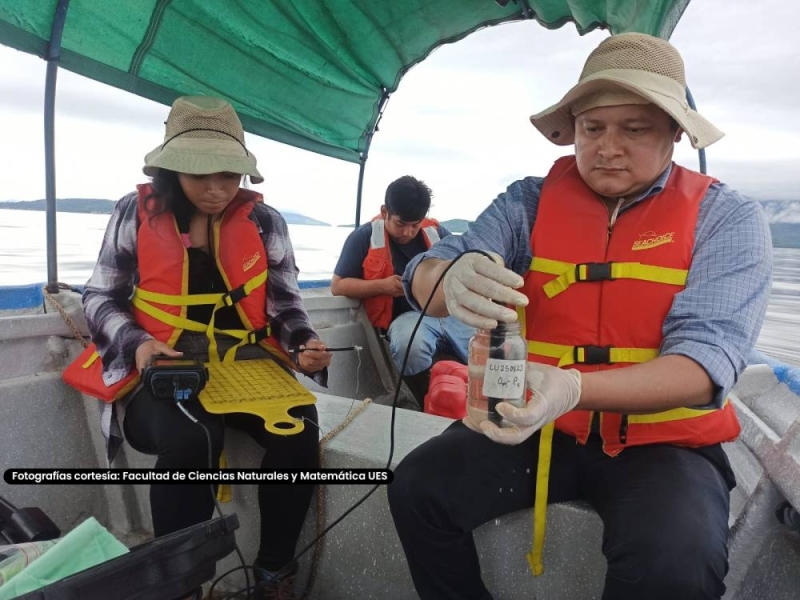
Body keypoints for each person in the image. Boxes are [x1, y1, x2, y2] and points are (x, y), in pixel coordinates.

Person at [388, 33, 773, 600]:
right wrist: (449, 274)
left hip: (662, 446)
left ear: (675, 132)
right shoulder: (528, 201)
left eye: (635, 128)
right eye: (592, 128)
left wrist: (571, 387)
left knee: (675, 563)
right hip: (536, 424)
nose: (606, 148)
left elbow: (704, 362)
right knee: (418, 487)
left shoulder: (727, 219)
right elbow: (428, 272)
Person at [79, 96, 332, 599]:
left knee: (300, 432)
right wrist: (139, 344)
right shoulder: (134, 212)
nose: (216, 188)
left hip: (246, 366)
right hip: (161, 368)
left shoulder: (267, 223)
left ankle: (273, 574)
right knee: (195, 436)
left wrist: (303, 342)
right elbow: (99, 297)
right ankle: (179, 586)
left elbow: (286, 308)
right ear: (172, 169)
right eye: (201, 175)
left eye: (229, 174)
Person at [331, 175, 474, 406]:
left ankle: (477, 404)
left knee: (491, 344)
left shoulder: (439, 234)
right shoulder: (362, 237)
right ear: (385, 211)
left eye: (415, 225)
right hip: (406, 318)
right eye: (400, 224)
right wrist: (382, 285)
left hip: (450, 316)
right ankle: (430, 405)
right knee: (410, 345)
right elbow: (338, 285)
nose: (408, 232)